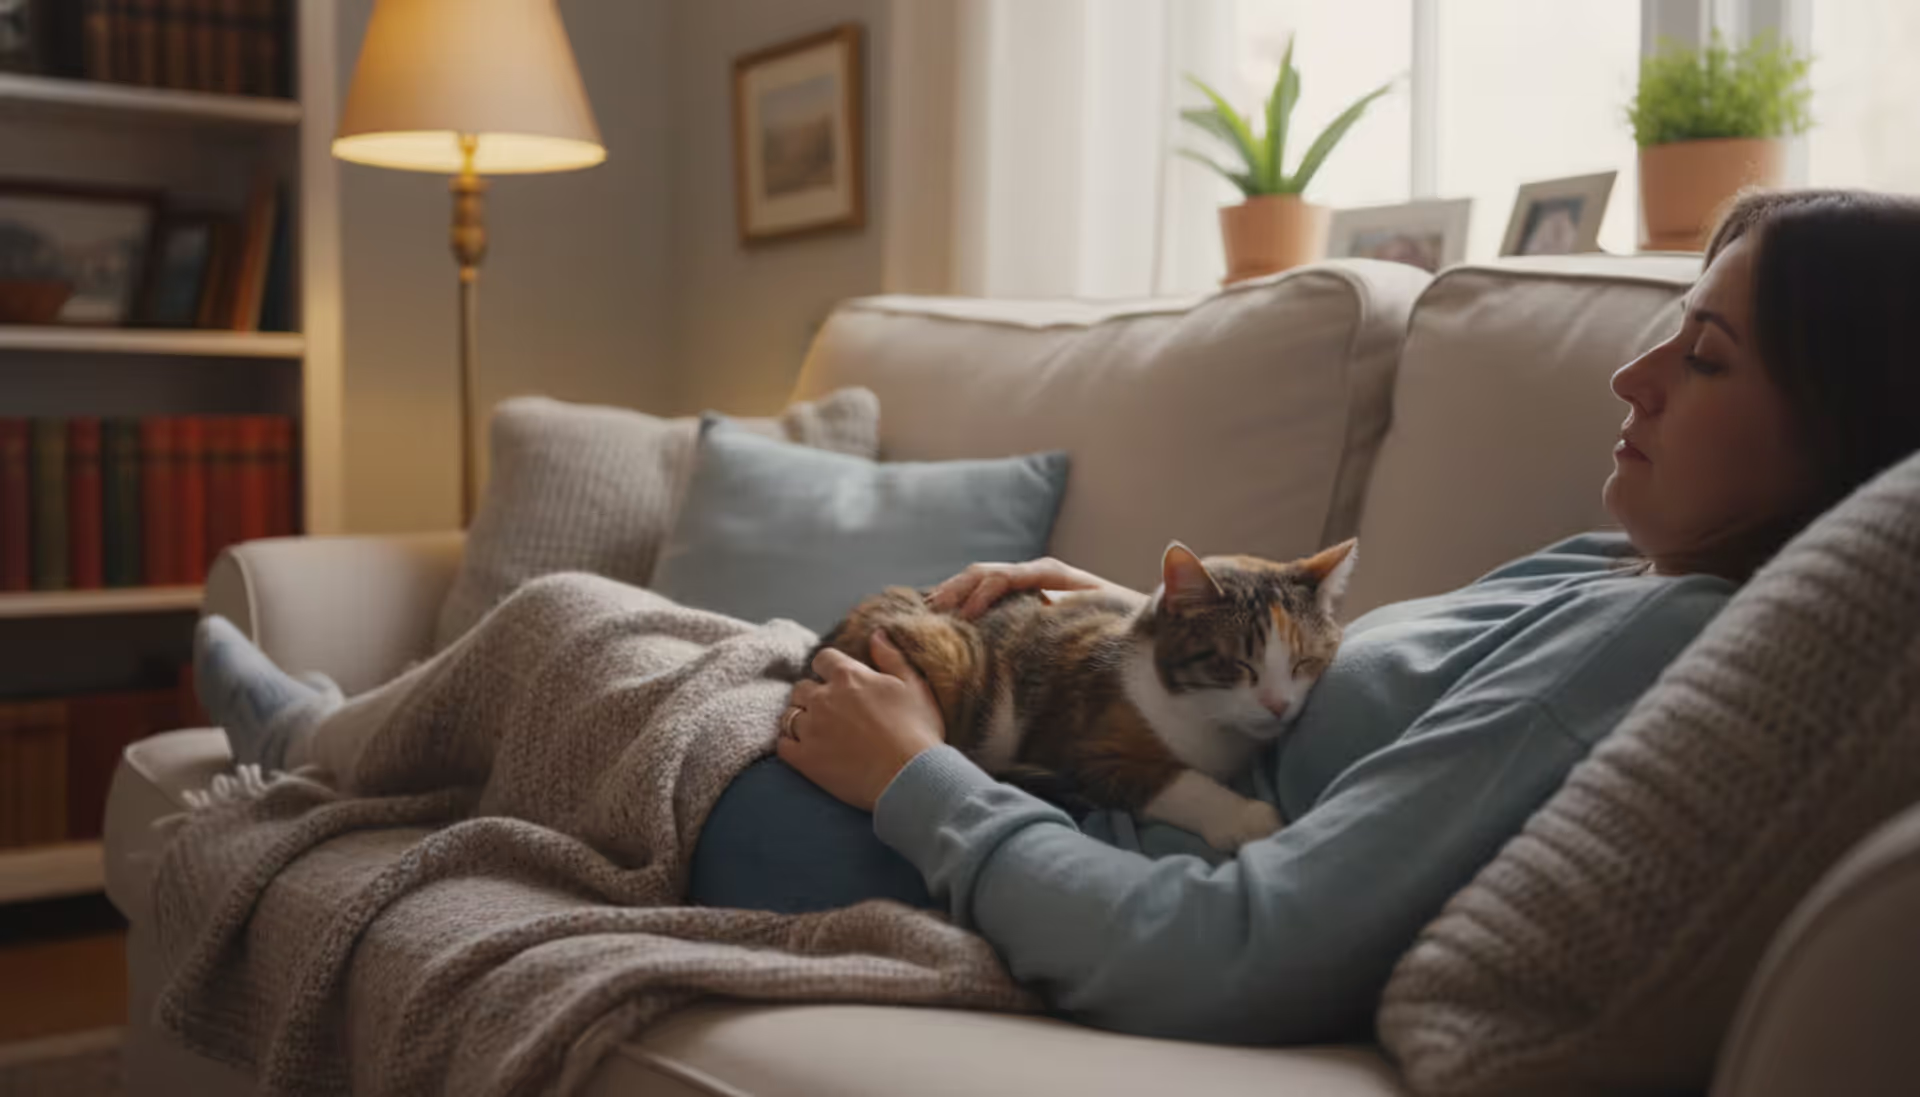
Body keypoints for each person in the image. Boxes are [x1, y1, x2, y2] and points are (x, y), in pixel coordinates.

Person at [195, 189, 1920, 1047]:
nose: (1630, 372)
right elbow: (1293, 705)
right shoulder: (1608, 567)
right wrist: (1104, 617)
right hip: (1059, 799)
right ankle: (344, 740)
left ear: (1848, 421)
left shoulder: (1651, 650)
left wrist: (917, 787)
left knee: (586, 624)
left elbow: (1246, 937)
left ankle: (315, 745)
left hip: (1019, 860)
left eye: (1701, 357)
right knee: (656, 644)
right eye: (1659, 329)